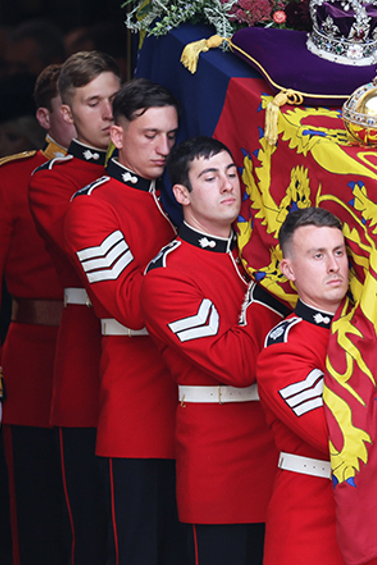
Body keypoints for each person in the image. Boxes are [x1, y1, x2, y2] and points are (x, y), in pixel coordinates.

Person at [63, 79, 186, 565]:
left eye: (171, 137)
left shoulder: (176, 197)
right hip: (137, 401)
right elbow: (127, 305)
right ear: (116, 135)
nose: (163, 148)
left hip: (190, 403)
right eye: (150, 135)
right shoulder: (92, 205)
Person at [141, 137, 278, 565]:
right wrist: (266, 297)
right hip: (222, 460)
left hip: (281, 450)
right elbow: (235, 365)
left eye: (232, 174)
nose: (227, 186)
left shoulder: (254, 254)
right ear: (181, 194)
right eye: (210, 177)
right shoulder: (167, 277)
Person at [0, 65, 72, 565]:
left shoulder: (137, 176)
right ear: (47, 117)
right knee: (40, 511)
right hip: (39, 359)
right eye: (82, 105)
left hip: (116, 361)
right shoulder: (6, 181)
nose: (104, 114)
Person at [254, 207, 377, 565]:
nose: (334, 266)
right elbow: (335, 433)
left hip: (376, 515)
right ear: (288, 270)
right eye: (318, 256)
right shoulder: (284, 348)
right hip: (314, 522)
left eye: (338, 252)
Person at [26, 51, 121, 564]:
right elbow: (92, 260)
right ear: (67, 113)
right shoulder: (52, 179)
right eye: (92, 103)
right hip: (90, 345)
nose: (108, 114)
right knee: (93, 525)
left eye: (114, 98)